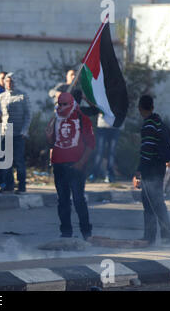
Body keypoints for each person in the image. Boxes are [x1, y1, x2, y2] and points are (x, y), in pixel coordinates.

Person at [45, 92, 95, 240]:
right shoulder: (55, 119)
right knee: (63, 200)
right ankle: (66, 232)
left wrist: (81, 163)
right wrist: (48, 137)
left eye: (64, 104)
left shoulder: (82, 118)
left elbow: (91, 144)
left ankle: (86, 232)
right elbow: (52, 143)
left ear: (71, 104)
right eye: (59, 104)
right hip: (59, 164)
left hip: (76, 165)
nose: (61, 107)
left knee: (79, 199)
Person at [134, 95, 170, 245]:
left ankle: (150, 238)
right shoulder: (159, 122)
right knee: (158, 202)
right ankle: (165, 237)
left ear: (140, 109)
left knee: (149, 203)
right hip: (160, 167)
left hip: (151, 169)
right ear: (152, 107)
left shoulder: (149, 125)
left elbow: (147, 151)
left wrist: (139, 171)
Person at [0, 72, 32, 194]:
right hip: (5, 133)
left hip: (18, 134)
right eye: (7, 81)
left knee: (19, 161)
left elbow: (28, 115)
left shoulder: (23, 96)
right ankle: (8, 185)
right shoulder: (1, 96)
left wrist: (24, 131)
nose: (9, 83)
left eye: (11, 81)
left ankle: (21, 186)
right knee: (6, 161)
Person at [88, 113, 121, 183]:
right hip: (103, 124)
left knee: (111, 152)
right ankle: (94, 174)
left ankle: (110, 175)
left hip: (115, 124)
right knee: (100, 151)